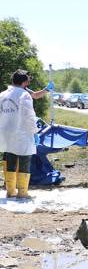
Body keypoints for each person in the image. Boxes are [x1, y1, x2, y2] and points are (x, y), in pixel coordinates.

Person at [0, 70, 38, 198]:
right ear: (24, 82)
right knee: (24, 161)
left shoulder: (2, 95)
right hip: (21, 133)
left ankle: (10, 191)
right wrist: (34, 132)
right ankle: (22, 192)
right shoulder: (24, 95)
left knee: (9, 160)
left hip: (5, 134)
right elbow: (29, 116)